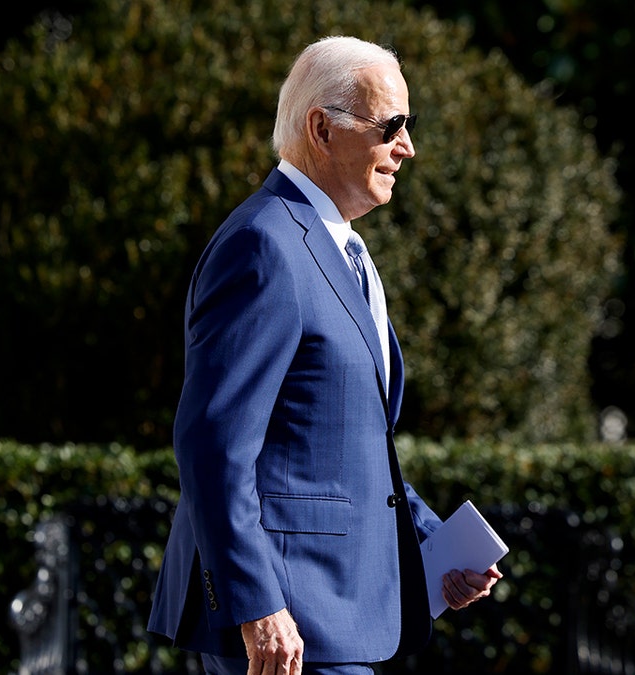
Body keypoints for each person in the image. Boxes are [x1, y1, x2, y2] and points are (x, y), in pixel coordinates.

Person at [148, 36, 501, 675]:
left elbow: (336, 448)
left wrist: (433, 541)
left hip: (340, 621)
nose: (408, 147)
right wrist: (257, 607)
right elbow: (212, 445)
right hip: (290, 629)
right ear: (321, 128)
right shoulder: (265, 245)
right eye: (391, 126)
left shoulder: (341, 251)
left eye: (409, 126)